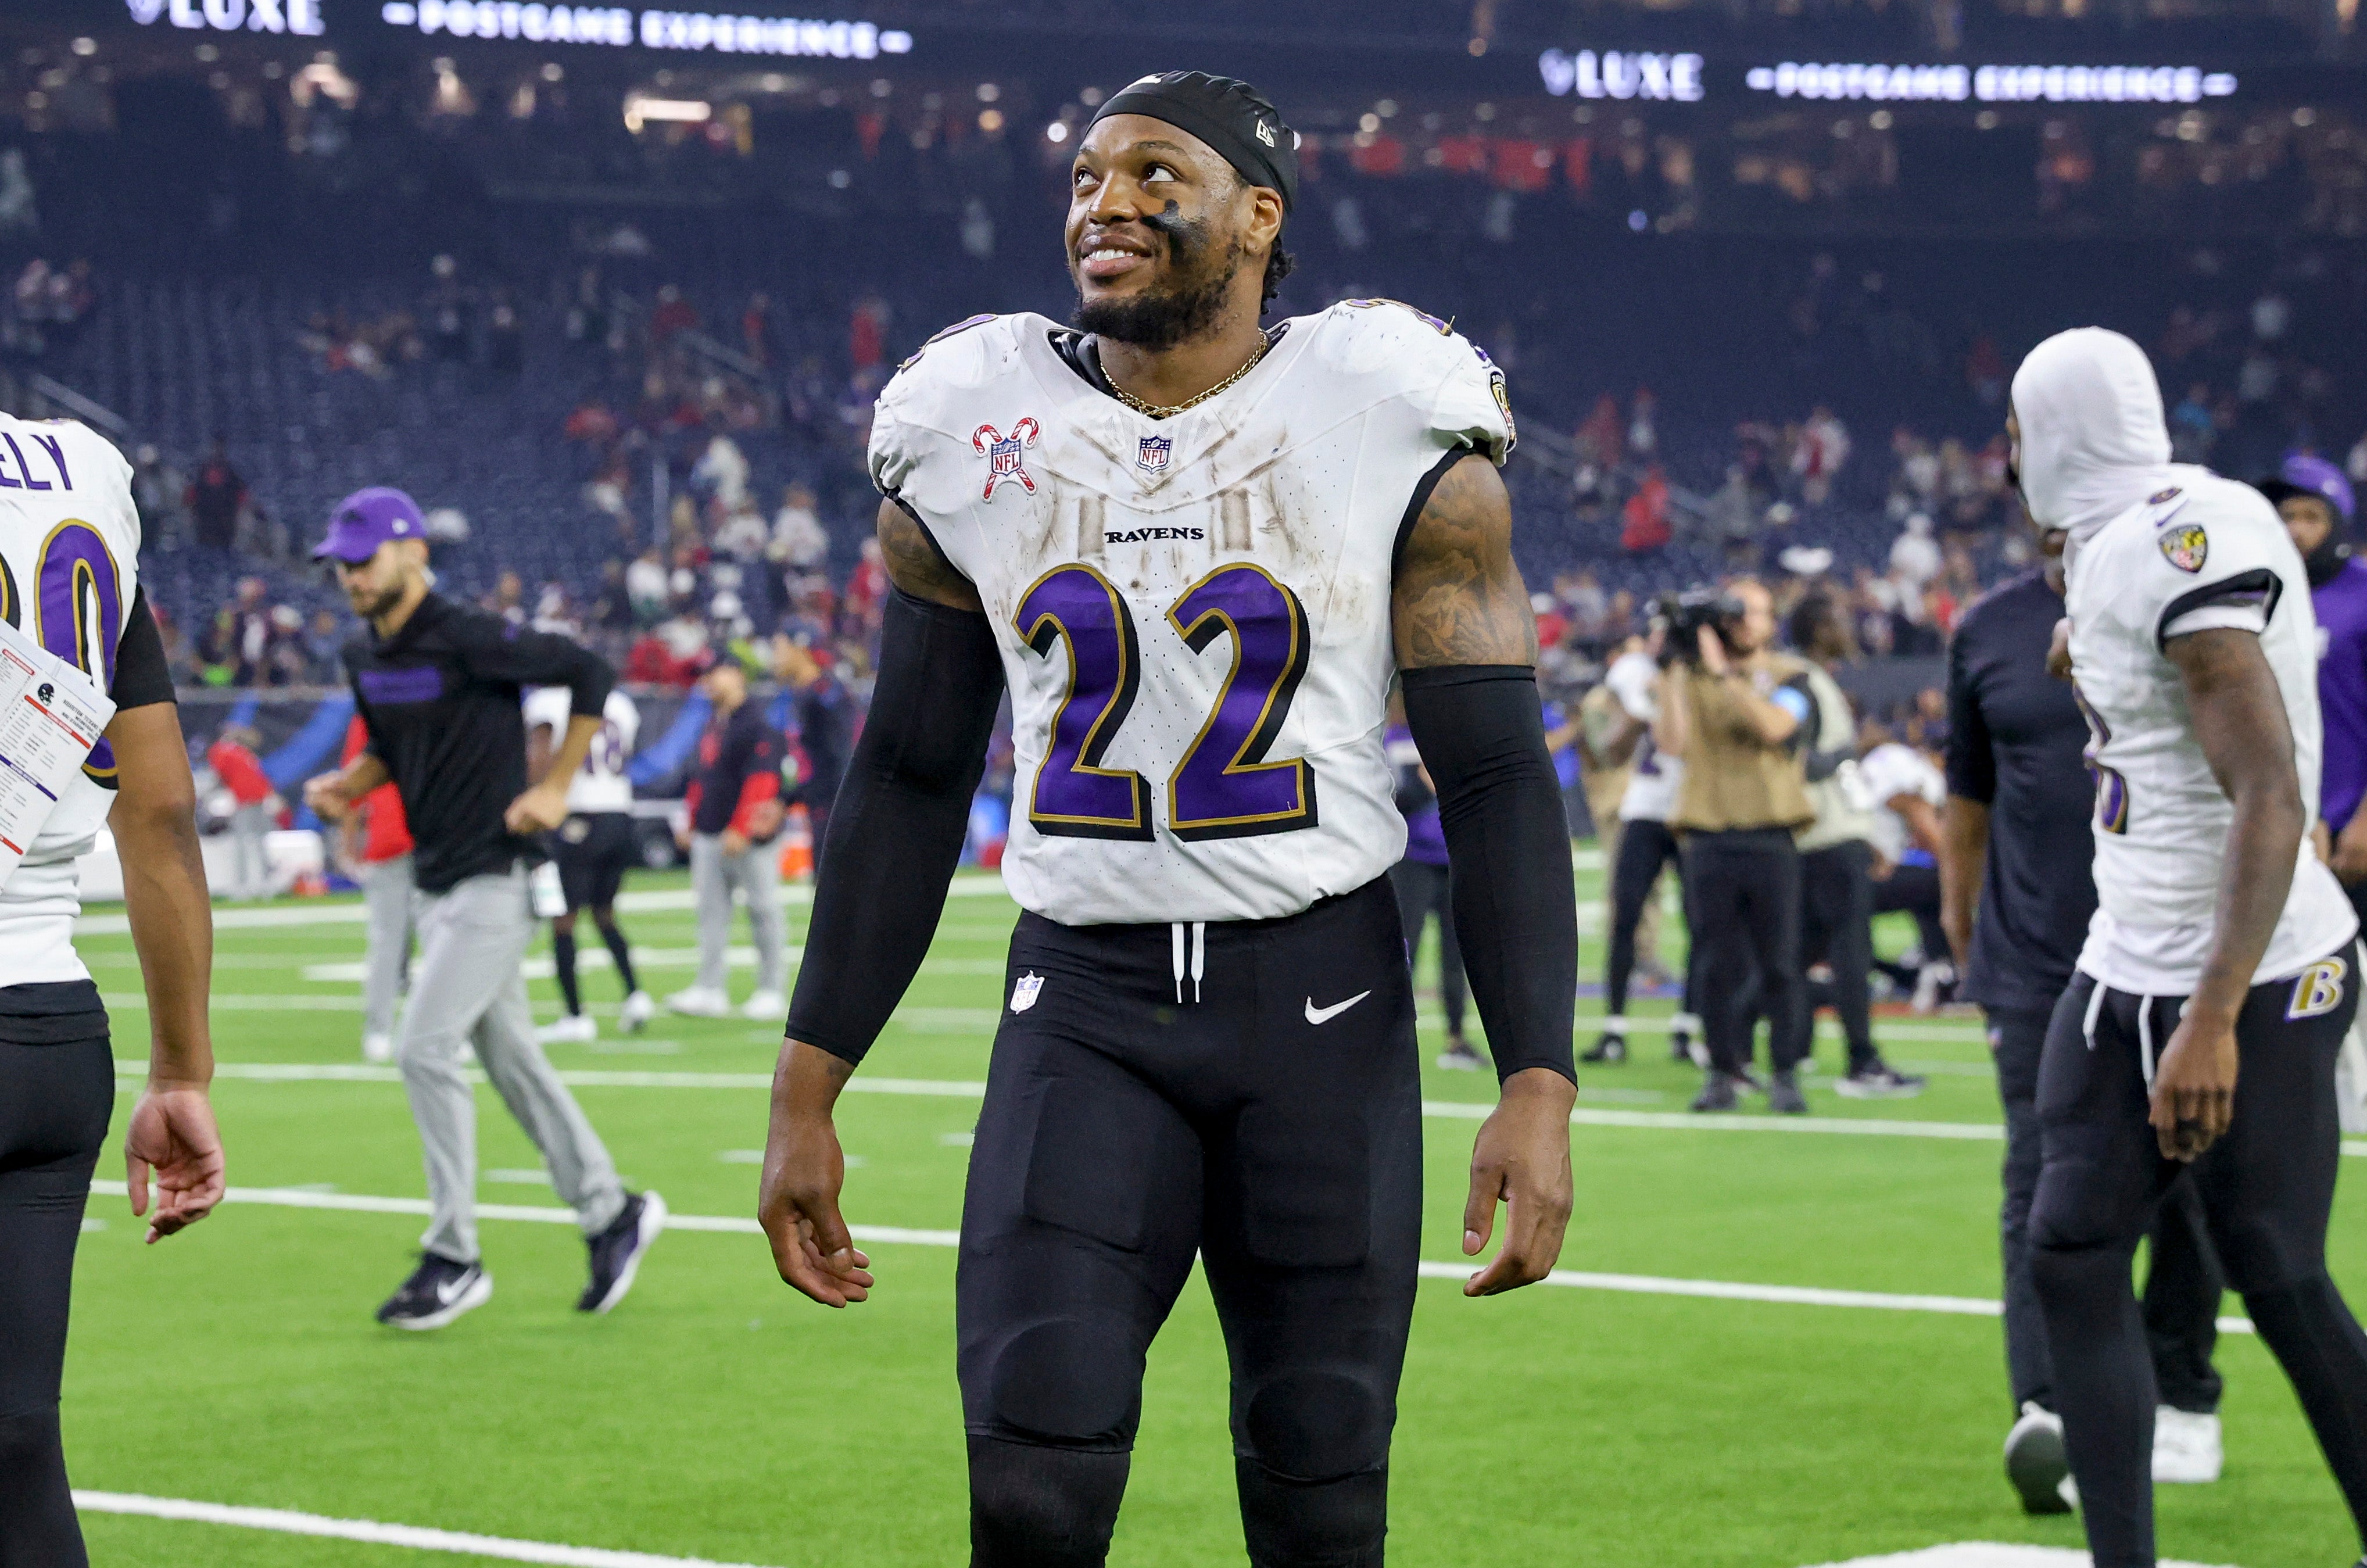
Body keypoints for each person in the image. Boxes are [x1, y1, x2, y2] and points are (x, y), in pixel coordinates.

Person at [755, 71, 1578, 1566]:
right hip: (1084, 997)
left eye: (1152, 171)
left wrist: (1535, 1075)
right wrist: (806, 1085)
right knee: (1028, 1476)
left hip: (1319, 997)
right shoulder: (969, 423)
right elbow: (905, 775)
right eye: (1081, 178)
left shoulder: (1384, 409)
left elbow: (1497, 774)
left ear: (1260, 215)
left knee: (1319, 1488)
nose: (1103, 203)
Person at [2014, 327, 2367, 1567]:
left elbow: (2268, 792)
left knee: (2270, 1267)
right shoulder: (2169, 518)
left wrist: (2212, 1013)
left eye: (2016, 431)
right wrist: (2089, 646)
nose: (2006, 458)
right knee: (2065, 1246)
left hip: (2246, 967)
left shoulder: (2175, 547)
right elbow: (2153, 665)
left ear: (2052, 432)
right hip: (2131, 954)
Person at [303, 486, 665, 1329]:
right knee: (513, 1063)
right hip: (436, 883)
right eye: (341, 565)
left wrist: (557, 786)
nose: (351, 577)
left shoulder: (468, 636)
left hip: (495, 879)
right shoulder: (366, 656)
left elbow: (590, 673)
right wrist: (348, 788)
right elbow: (394, 747)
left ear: (413, 551)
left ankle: (454, 1257)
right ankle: (610, 1212)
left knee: (423, 1050)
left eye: (363, 559)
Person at [1942, 506, 2233, 1517]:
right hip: (2032, 963)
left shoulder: (2185, 597)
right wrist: (1966, 945)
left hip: (2166, 953)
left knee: (2192, 1184)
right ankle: (2045, 1406)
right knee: (2034, 1178)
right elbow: (1965, 803)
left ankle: (2184, 1386)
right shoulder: (1983, 627)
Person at [0, 414, 224, 1565]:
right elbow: (162, 811)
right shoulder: (82, 466)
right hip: (48, 1031)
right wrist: (182, 1066)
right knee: (18, 1444)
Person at [1656, 579, 1818, 1113]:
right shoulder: (1693, 676)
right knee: (1713, 964)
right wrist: (1675, 669)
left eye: (1756, 612)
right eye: (1737, 613)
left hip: (1771, 835)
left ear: (1772, 623)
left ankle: (1785, 1071)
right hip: (1707, 837)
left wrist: (1723, 674)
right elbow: (1671, 744)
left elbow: (1773, 727)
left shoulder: (1794, 677)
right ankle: (1721, 1071)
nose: (1745, 622)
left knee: (1780, 963)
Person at [2260, 454, 2367, 1136]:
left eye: (2308, 516)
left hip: (2351, 823)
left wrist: (2363, 816)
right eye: (2283, 515)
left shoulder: (2361, 595)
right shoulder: (2256, 597)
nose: (2293, 530)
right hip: (2283, 828)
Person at [1787, 592, 1925, 1097]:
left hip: (1830, 832)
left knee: (1803, 950)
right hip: (1827, 834)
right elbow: (1797, 761)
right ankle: (1860, 1062)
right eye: (1838, 618)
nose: (1848, 626)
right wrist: (1849, 752)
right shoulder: (1803, 682)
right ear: (1818, 627)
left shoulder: (1812, 680)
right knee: (1849, 949)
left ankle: (1789, 1051)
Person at [1584, 633, 1701, 1063]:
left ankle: (1687, 1027)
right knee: (1624, 917)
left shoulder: (1705, 677)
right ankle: (1614, 1029)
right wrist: (1639, 709)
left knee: (1700, 923)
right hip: (1644, 807)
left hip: (1691, 812)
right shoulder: (1637, 678)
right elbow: (1613, 752)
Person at [523, 681, 654, 1044]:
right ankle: (635, 995)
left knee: (562, 919)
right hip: (619, 815)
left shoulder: (548, 700)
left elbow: (540, 759)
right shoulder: (621, 703)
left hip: (575, 816)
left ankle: (575, 1015)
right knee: (604, 913)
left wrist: (530, 801)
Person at [668, 654, 790, 1020]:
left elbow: (763, 780)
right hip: (709, 832)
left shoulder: (756, 723)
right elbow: (702, 774)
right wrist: (692, 819)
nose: (707, 681)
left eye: (714, 673)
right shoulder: (714, 723)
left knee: (763, 908)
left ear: (737, 675)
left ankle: (772, 988)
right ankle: (710, 987)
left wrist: (741, 827)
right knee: (711, 913)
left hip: (745, 838)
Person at [1384, 715, 1478, 1069]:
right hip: (1413, 860)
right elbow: (1393, 798)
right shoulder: (1395, 740)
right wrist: (1426, 782)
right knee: (1408, 948)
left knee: (1457, 954)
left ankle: (1457, 1038)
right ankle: (1394, 1040)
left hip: (1455, 857)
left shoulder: (1456, 732)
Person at [1857, 718, 1954, 1009]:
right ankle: (1940, 971)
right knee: (1942, 883)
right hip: (1861, 870)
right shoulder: (1912, 769)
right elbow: (1931, 835)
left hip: (1837, 868)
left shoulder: (1882, 759)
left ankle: (1913, 972)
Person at [338, 713, 415, 1065]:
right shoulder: (371, 711)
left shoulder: (372, 707)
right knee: (394, 938)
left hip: (416, 834)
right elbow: (353, 781)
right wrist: (349, 837)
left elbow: (352, 781)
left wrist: (349, 838)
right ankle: (381, 1030)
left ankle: (381, 1031)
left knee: (391, 938)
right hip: (408, 834)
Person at [771, 634, 853, 847]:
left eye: (780, 650)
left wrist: (840, 804)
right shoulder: (799, 695)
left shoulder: (826, 693)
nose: (775, 659)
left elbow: (842, 752)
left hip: (835, 802)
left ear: (800, 650)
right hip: (817, 801)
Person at [204, 723, 276, 898]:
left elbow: (218, 776)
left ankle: (243, 886)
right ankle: (261, 885)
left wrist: (208, 794)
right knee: (256, 843)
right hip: (256, 799)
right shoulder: (239, 752)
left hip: (245, 801)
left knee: (243, 843)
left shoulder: (225, 751)